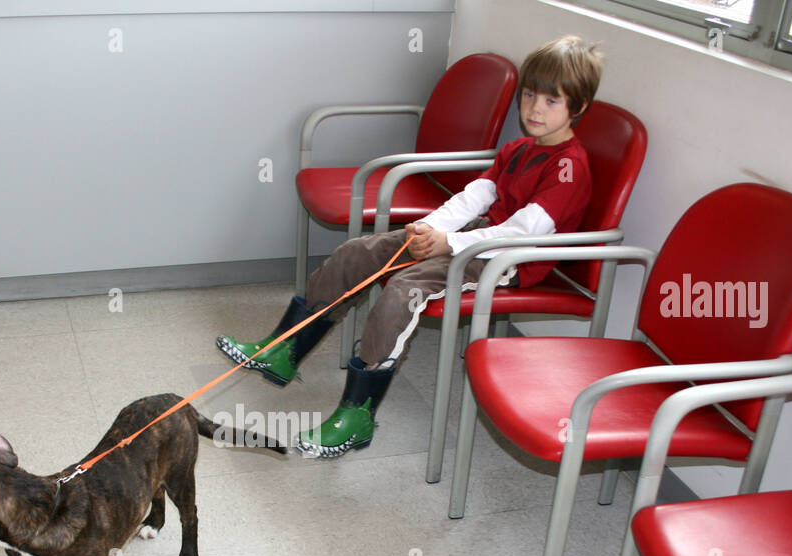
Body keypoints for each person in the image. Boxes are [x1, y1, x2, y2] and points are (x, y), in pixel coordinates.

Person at [216, 35, 604, 458]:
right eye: (529, 96)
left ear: (578, 107)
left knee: (402, 291)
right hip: (474, 236)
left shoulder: (569, 168)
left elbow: (523, 231)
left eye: (551, 101)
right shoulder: (519, 149)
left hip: (505, 260)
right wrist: (430, 228)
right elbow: (476, 197)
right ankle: (285, 349)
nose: (533, 109)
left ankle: (357, 417)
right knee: (357, 253)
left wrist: (449, 243)